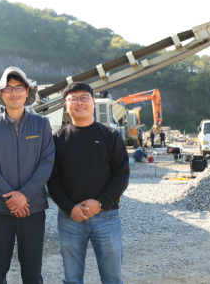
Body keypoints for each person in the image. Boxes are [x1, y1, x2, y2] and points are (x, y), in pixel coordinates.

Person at [0, 66, 56, 284]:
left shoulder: (41, 124)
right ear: (1, 94)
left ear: (27, 91)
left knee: (32, 273)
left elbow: (47, 162)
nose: (14, 92)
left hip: (32, 209)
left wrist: (25, 195)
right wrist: (11, 198)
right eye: (8, 88)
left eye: (19, 87)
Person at [47, 82, 130, 284]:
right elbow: (52, 179)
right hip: (70, 218)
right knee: (72, 278)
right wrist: (69, 207)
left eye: (84, 97)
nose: (79, 102)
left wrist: (101, 203)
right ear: (66, 105)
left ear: (93, 102)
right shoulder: (56, 139)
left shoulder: (111, 136)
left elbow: (121, 175)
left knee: (112, 278)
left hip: (107, 216)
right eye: (73, 99)